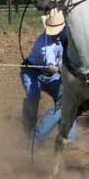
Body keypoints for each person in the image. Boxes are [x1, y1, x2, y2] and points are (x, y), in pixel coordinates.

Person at [21, 10, 76, 145]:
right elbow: (48, 56)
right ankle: (28, 130)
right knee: (33, 97)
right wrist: (52, 66)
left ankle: (68, 136)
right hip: (31, 72)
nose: (56, 35)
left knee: (65, 99)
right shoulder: (43, 42)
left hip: (52, 75)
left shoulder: (67, 40)